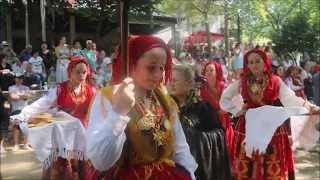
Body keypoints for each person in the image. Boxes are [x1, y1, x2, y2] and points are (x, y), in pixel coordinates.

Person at [86, 35, 197, 180]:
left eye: (162, 68)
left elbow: (180, 148)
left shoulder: (166, 102)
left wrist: (190, 175)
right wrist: (118, 113)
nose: (158, 75)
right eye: (151, 67)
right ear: (132, 63)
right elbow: (100, 161)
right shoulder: (108, 97)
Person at [219, 49, 317, 179]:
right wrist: (237, 111)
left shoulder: (275, 81)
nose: (254, 65)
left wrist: (305, 104)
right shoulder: (242, 82)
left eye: (258, 61)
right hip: (248, 125)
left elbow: (288, 99)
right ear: (247, 65)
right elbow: (224, 99)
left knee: (272, 162)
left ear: (265, 62)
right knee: (247, 162)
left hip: (271, 125)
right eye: (251, 62)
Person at [11, 58, 96, 179]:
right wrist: (22, 115)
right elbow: (40, 104)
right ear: (70, 71)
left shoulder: (91, 90)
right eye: (78, 72)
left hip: (83, 135)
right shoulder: (59, 89)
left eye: (84, 72)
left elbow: (100, 111)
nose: (81, 75)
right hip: (62, 136)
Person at [170, 65, 233, 180]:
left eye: (176, 80)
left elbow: (219, 133)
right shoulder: (165, 107)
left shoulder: (202, 107)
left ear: (189, 83)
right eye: (170, 80)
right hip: (172, 164)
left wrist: (197, 138)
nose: (171, 84)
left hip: (199, 166)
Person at [200, 62, 234, 154]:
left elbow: (235, 100)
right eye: (207, 70)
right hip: (208, 119)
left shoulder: (224, 87)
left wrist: (226, 109)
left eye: (211, 70)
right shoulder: (201, 88)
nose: (209, 72)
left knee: (224, 144)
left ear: (217, 72)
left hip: (221, 118)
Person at [8, 74, 33, 151]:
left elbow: (29, 95)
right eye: (19, 78)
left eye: (22, 78)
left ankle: (25, 144)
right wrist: (23, 96)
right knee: (16, 127)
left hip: (25, 110)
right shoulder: (11, 87)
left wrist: (18, 95)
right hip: (16, 110)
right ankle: (16, 145)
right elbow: (13, 97)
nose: (20, 79)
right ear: (15, 79)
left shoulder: (26, 87)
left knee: (25, 127)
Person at [0, 87, 10, 154]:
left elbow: (7, 106)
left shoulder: (2, 97)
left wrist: (6, 104)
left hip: (3, 117)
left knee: (1, 131)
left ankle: (1, 147)